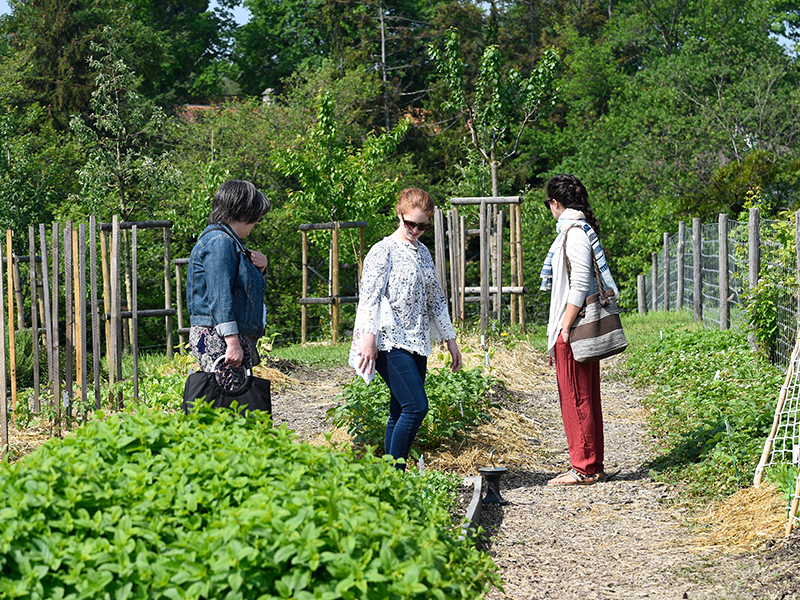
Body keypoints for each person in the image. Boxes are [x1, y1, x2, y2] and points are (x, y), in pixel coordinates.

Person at [351, 187, 462, 469]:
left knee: (399, 410)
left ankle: (389, 481)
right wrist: (368, 339)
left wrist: (450, 340)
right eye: (409, 222)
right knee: (416, 406)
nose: (415, 229)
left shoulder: (423, 252)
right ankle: (397, 473)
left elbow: (436, 298)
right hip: (389, 340)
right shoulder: (383, 249)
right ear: (399, 215)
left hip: (417, 340)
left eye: (422, 225)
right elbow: (370, 297)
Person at [540, 174, 619, 486]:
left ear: (556, 203)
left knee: (575, 397)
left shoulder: (573, 234)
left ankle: (583, 467)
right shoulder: (579, 230)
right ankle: (591, 463)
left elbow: (579, 284)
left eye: (549, 203)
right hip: (574, 327)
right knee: (585, 395)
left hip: (572, 328)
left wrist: (564, 326)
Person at [187, 179, 271, 389]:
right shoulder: (220, 242)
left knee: (231, 400)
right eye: (255, 220)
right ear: (243, 214)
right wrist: (232, 343)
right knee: (228, 401)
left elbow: (240, 287)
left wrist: (261, 266)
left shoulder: (229, 242)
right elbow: (220, 295)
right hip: (219, 338)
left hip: (224, 336)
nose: (255, 225)